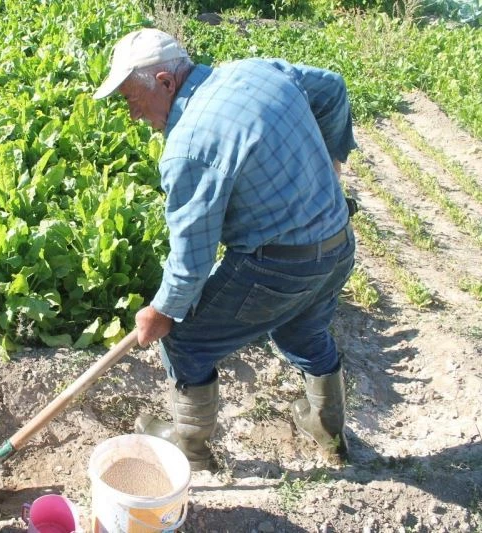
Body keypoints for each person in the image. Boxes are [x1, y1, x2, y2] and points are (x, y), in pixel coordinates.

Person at [93, 28, 357, 470]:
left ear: (165, 81)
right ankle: (328, 431)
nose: (133, 114)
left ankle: (188, 449)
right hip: (337, 242)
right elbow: (331, 87)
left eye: (131, 98)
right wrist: (332, 166)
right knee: (303, 330)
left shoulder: (189, 149)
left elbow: (190, 264)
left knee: (185, 339)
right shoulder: (255, 71)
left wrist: (160, 313)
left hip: (281, 266)